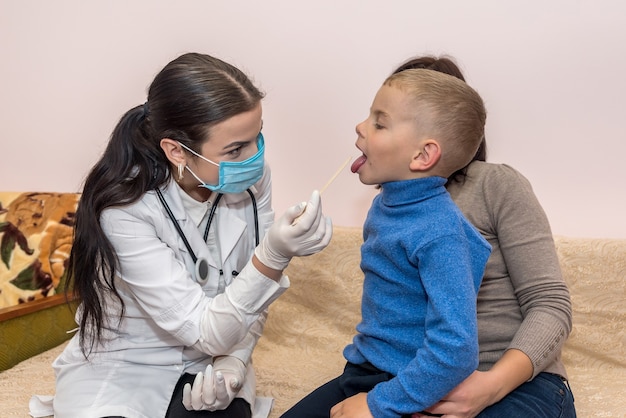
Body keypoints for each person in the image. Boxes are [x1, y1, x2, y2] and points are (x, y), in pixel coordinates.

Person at [51, 52, 333, 418]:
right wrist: (274, 256)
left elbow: (248, 294)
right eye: (235, 149)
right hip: (129, 364)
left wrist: (233, 362)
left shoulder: (252, 181)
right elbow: (212, 321)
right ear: (176, 151)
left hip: (211, 361)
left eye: (256, 137)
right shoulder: (125, 208)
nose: (255, 157)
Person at [281, 69, 492, 418]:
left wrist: (380, 405)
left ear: (423, 156)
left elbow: (456, 349)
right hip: (365, 370)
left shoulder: (441, 234)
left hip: (409, 385)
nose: (360, 127)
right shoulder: (386, 205)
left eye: (380, 123)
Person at [394, 56, 576, 418]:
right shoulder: (391, 205)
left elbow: (551, 305)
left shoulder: (496, 184)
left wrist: (489, 386)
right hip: (414, 380)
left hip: (515, 382)